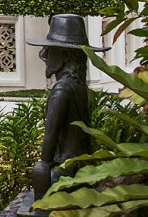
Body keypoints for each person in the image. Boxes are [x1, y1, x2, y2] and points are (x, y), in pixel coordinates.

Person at [27, 14, 107, 199]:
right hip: (84, 168)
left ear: (67, 54)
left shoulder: (61, 90)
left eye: (52, 49)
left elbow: (47, 154)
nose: (45, 54)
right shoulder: (80, 86)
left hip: (65, 173)